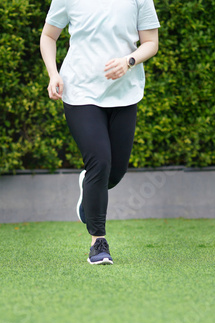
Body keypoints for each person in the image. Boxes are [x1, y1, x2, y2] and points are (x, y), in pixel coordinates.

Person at [40, 0, 160, 265]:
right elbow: (49, 35)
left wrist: (129, 60)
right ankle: (98, 243)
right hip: (80, 92)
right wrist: (53, 74)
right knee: (99, 162)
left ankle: (89, 187)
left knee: (115, 172)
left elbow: (151, 42)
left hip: (124, 93)